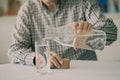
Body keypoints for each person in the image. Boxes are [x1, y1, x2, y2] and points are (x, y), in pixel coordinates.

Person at [8, 0, 117, 68]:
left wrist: (93, 33)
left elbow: (112, 34)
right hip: (46, 75)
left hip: (85, 72)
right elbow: (14, 51)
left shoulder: (83, 3)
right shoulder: (27, 10)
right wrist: (37, 58)